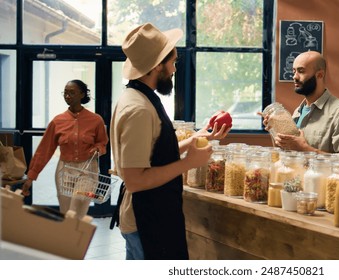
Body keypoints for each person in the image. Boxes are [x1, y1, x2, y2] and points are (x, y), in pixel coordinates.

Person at [110, 22, 230, 260]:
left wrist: (194, 139)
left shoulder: (138, 97)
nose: (175, 70)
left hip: (151, 216)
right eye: (173, 63)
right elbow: (135, 180)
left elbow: (152, 152)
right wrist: (189, 163)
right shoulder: (139, 110)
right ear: (157, 66)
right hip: (146, 220)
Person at [22, 80, 109, 219]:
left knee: (77, 209)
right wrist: (31, 177)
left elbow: (102, 143)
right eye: (65, 93)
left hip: (88, 170)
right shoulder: (58, 121)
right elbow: (44, 150)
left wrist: (98, 149)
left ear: (82, 94)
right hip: (64, 169)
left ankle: (76, 237)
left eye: (72, 93)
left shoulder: (95, 120)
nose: (67, 96)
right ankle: (69, 239)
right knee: (65, 211)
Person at [262, 51, 339, 158]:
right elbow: (288, 153)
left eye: (301, 71)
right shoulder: (297, 112)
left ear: (320, 75)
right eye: (294, 71)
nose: (295, 77)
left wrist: (305, 149)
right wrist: (275, 131)